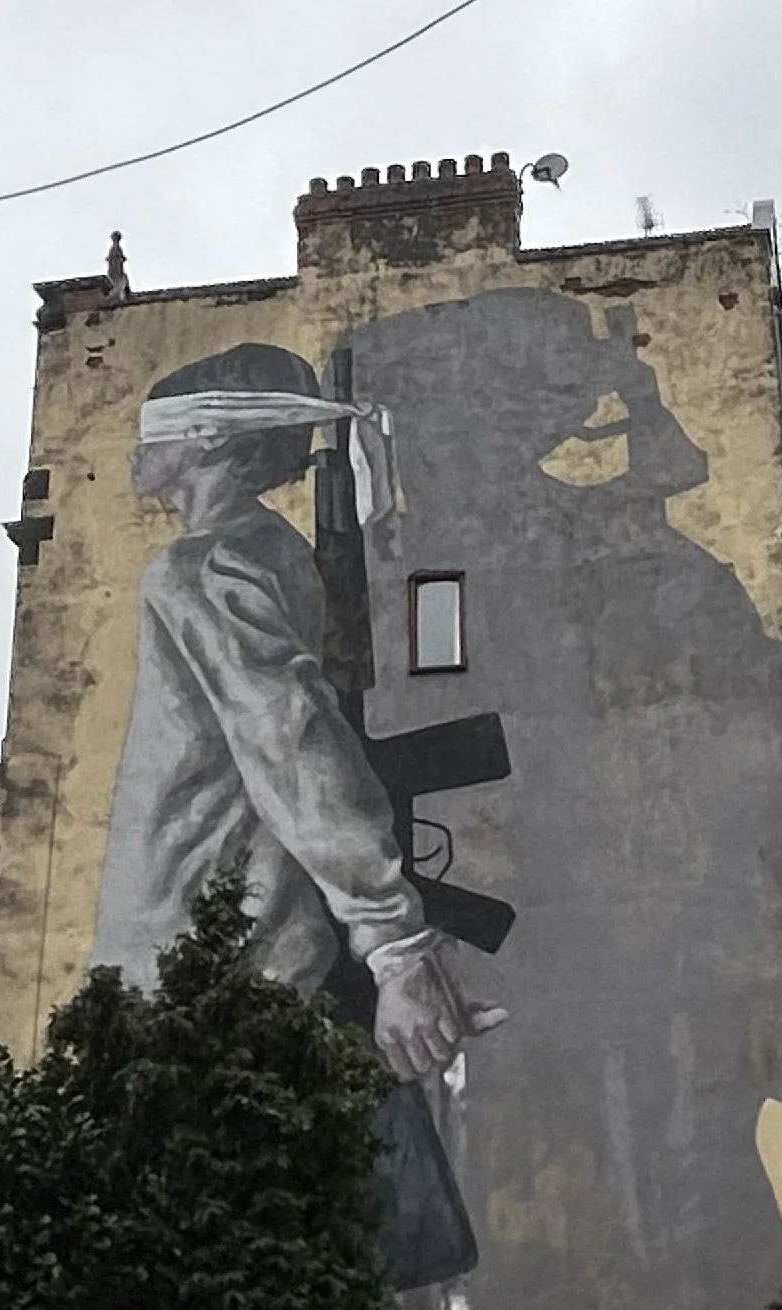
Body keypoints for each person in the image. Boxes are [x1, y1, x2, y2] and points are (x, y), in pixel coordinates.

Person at [93, 342, 505, 1085]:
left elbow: (293, 740)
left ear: (209, 439)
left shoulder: (199, 571)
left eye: (159, 429)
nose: (136, 449)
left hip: (201, 944)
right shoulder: (274, 551)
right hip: (253, 938)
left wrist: (393, 945)